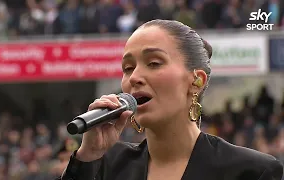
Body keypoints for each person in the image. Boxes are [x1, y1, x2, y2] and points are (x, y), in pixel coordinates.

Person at [58, 19, 283, 180]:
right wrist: (87, 157)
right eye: (128, 68)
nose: (134, 77)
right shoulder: (105, 164)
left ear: (196, 81)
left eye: (154, 63)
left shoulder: (252, 171)